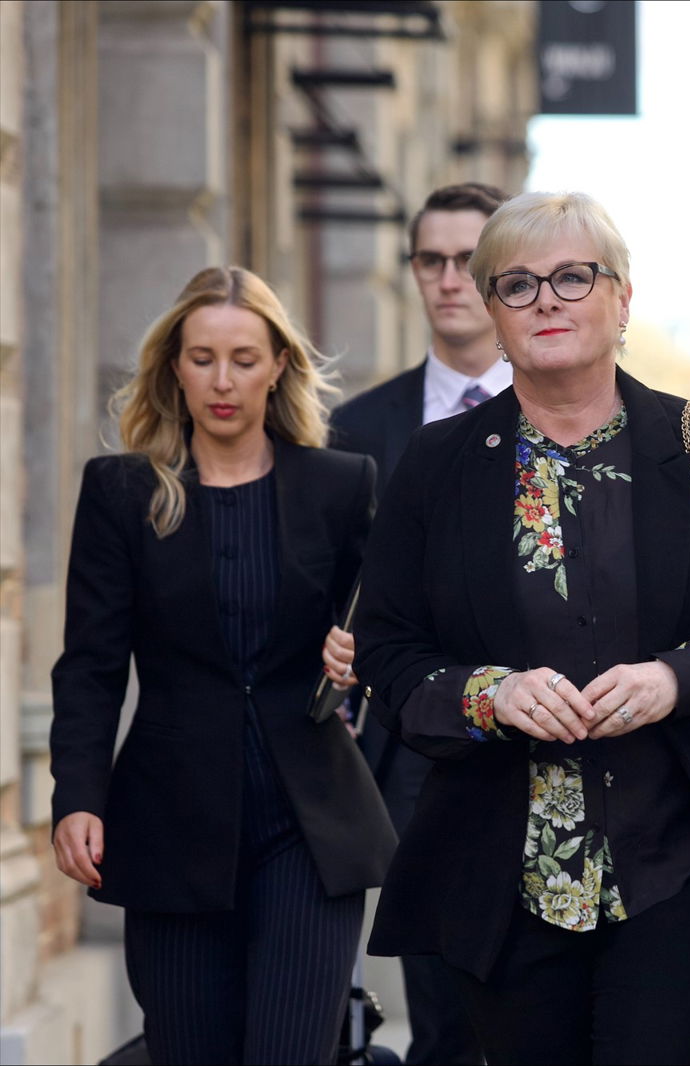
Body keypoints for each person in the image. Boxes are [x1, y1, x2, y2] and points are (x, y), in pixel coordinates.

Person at [351, 191, 690, 1065]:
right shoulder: (438, 464)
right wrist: (489, 694)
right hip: (502, 873)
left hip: (685, 856)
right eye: (519, 284)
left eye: (574, 278)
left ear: (622, 300)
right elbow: (386, 648)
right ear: (492, 313)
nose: (547, 300)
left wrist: (674, 678)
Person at [49, 265, 397, 1064]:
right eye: (202, 357)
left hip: (306, 827)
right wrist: (77, 795)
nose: (223, 379)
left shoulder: (340, 485)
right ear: (174, 365)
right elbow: (91, 666)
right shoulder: (123, 492)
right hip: (171, 822)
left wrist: (359, 659)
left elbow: (383, 634)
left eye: (244, 357)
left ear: (278, 363)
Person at [329, 179, 509, 1066]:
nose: (448, 279)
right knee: (442, 1014)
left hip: (564, 739)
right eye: (430, 260)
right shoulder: (356, 429)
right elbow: (329, 590)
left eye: (468, 261)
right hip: (418, 753)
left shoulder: (586, 413)